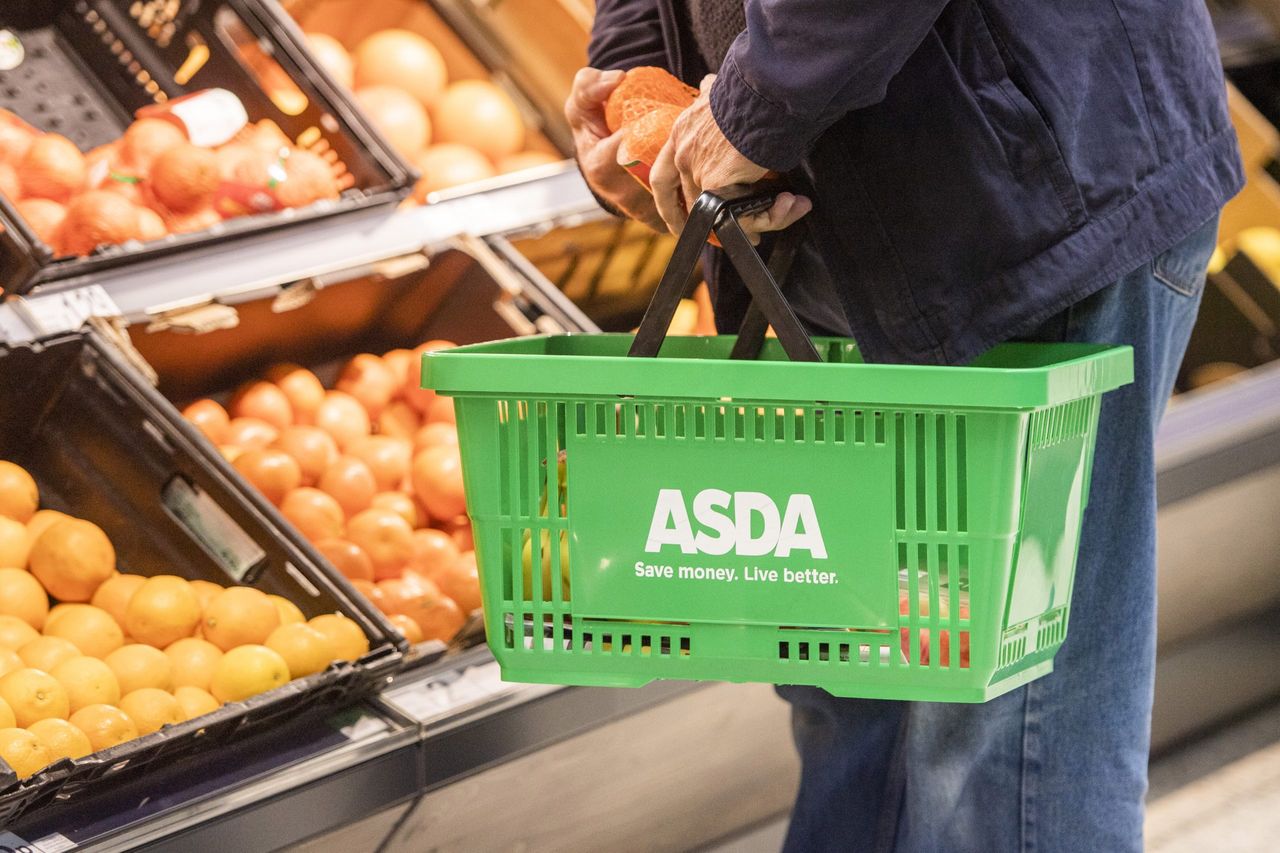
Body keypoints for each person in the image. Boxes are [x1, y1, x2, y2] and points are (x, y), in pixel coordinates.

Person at [568, 2, 1242, 851]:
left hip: (1024, 199)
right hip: (831, 231)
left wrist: (757, 102)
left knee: (1009, 740)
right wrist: (638, 79)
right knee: (852, 701)